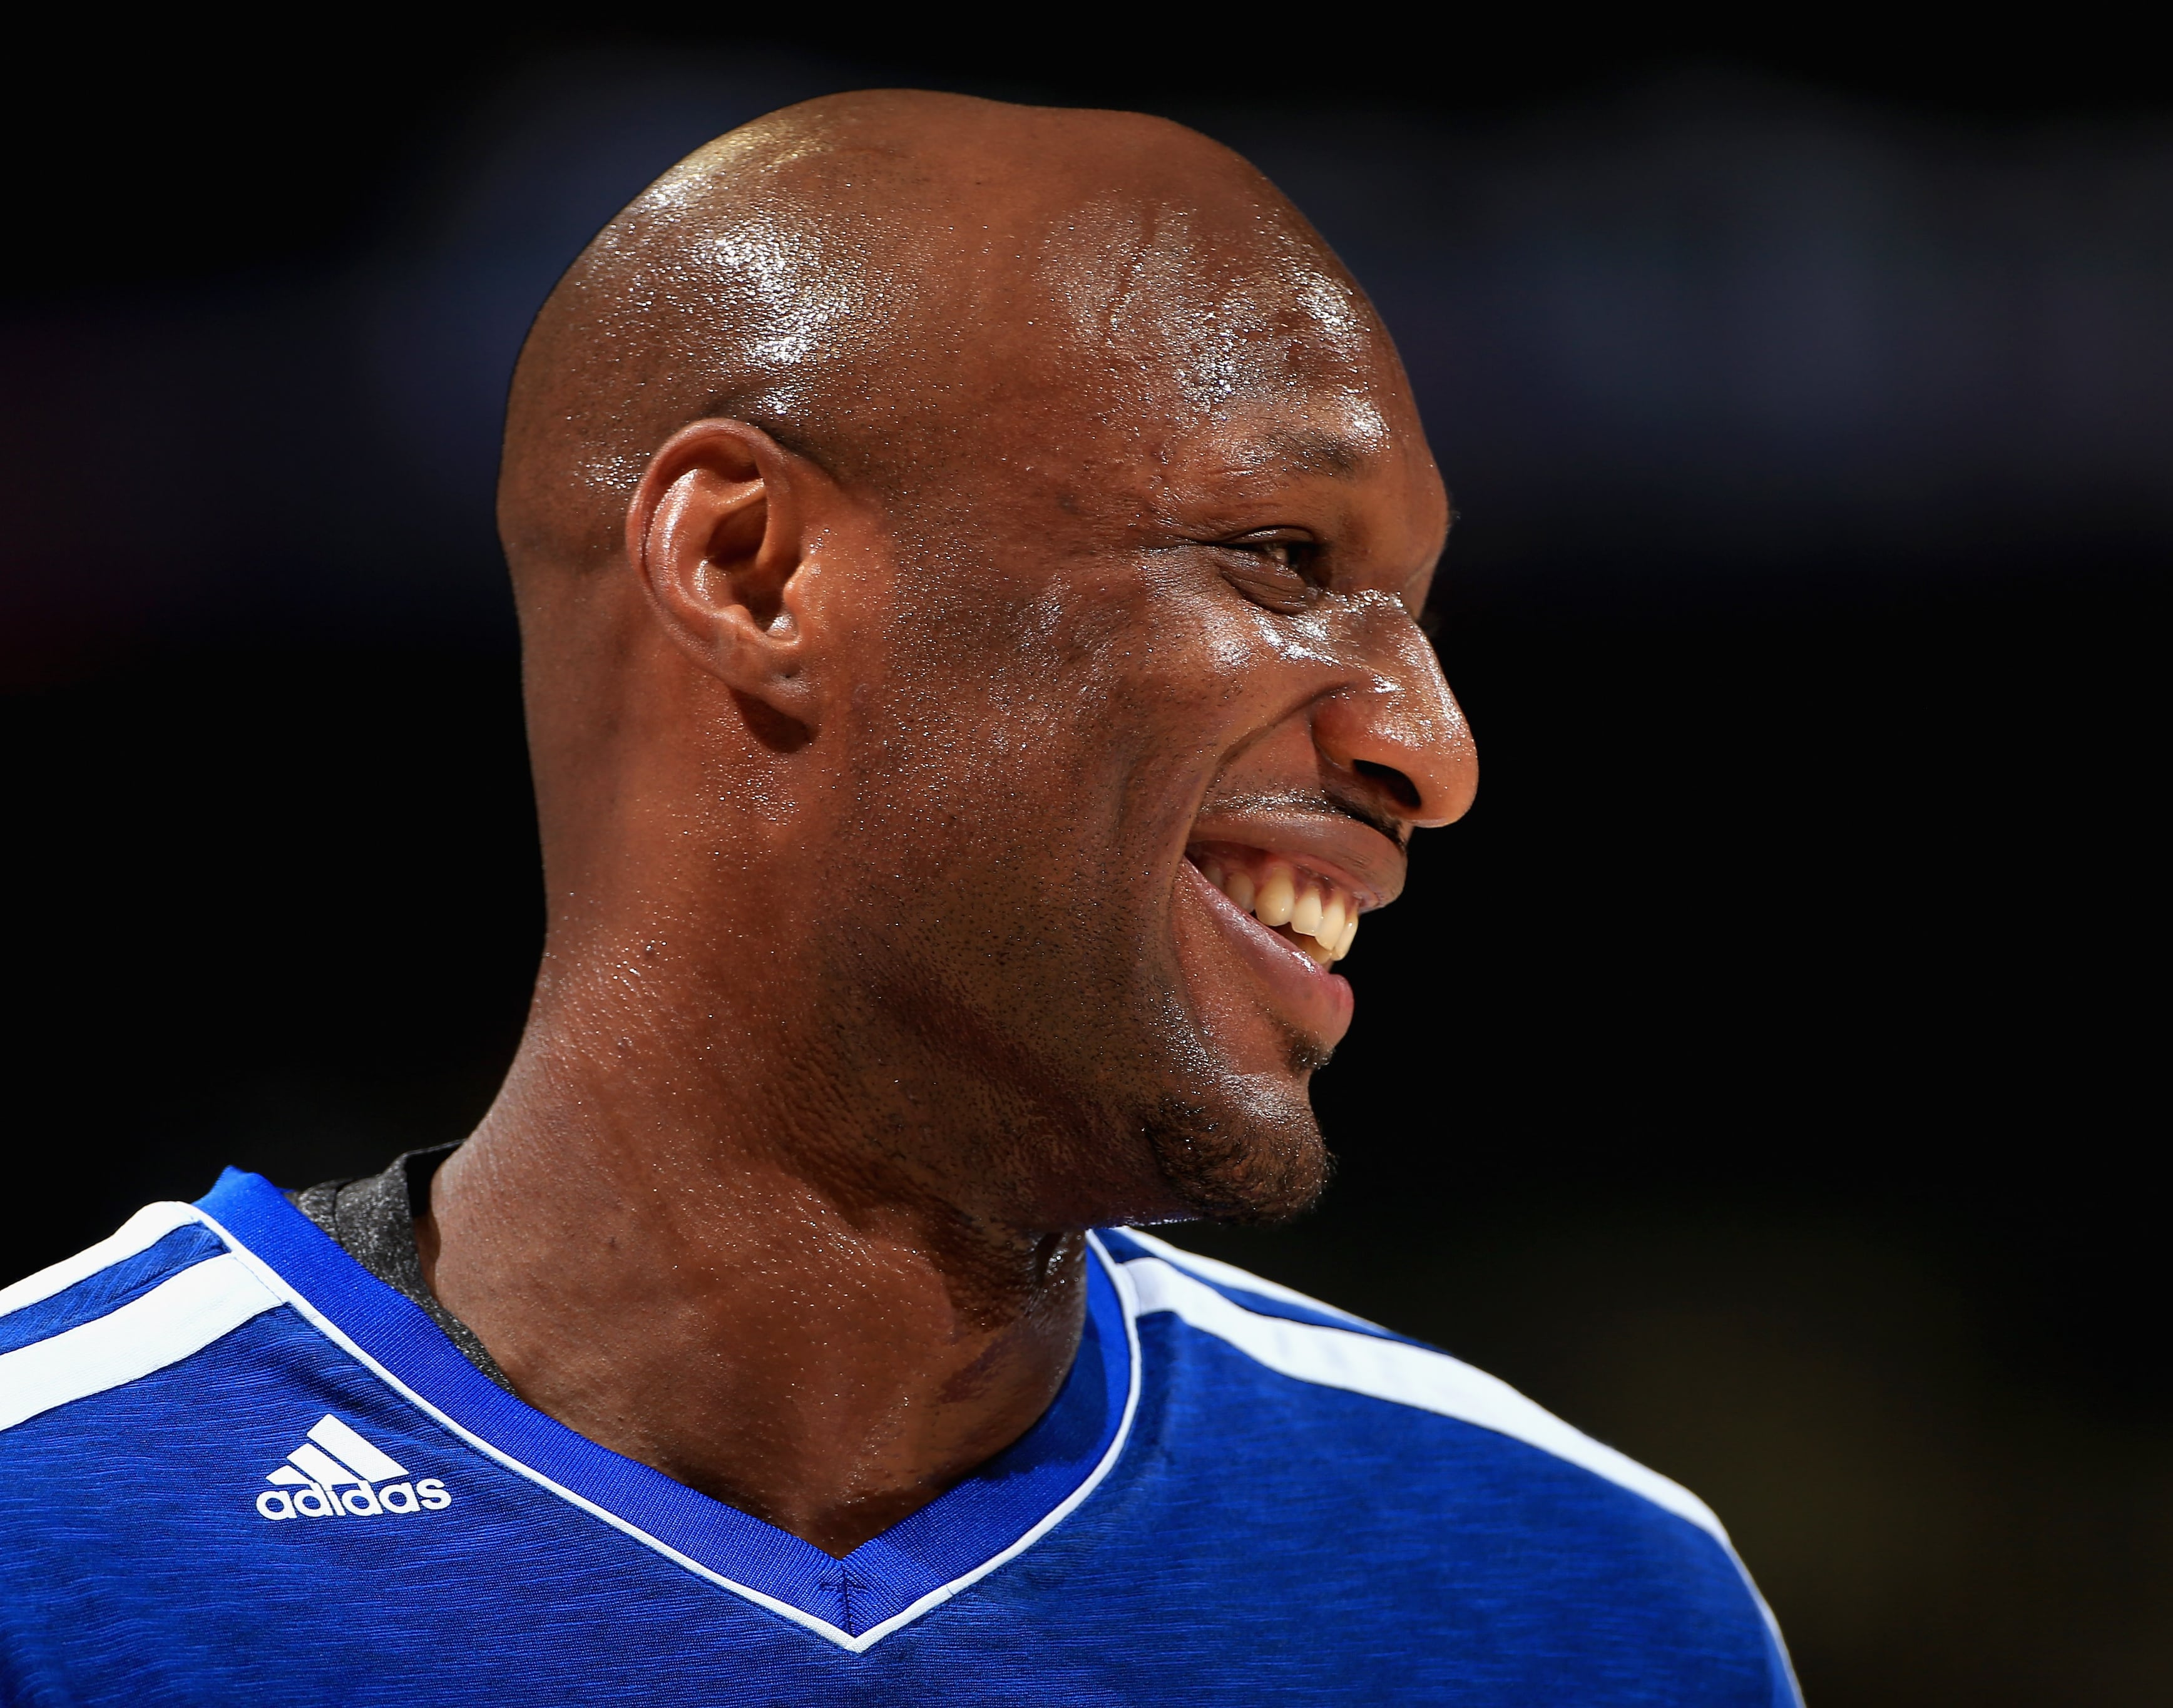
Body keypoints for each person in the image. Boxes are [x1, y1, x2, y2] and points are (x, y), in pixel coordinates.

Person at [0, 91, 1800, 1703]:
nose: (1435, 746)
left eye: (1416, 608)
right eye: (1282, 555)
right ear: (749, 566)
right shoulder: (48, 1533)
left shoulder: (1591, 1606)